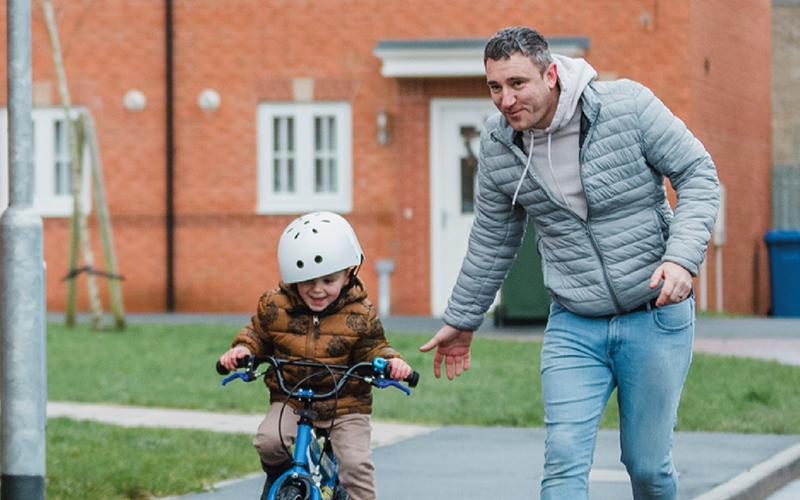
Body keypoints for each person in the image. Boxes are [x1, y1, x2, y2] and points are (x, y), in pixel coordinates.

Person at [420, 27, 719, 500]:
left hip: (653, 315)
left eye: (517, 83)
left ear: (552, 74)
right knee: (562, 461)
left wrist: (681, 259)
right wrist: (462, 319)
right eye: (495, 87)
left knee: (647, 467)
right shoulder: (500, 147)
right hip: (574, 323)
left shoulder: (628, 107)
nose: (505, 99)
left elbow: (698, 173)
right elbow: (492, 239)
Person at [220, 211, 412, 500]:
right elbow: (257, 335)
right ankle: (281, 481)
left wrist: (391, 363)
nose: (317, 290)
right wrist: (243, 351)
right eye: (307, 280)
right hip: (292, 399)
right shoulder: (275, 306)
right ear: (291, 277)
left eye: (329, 280)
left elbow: (374, 348)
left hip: (346, 407)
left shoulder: (361, 313)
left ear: (348, 275)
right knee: (269, 442)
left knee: (355, 466)